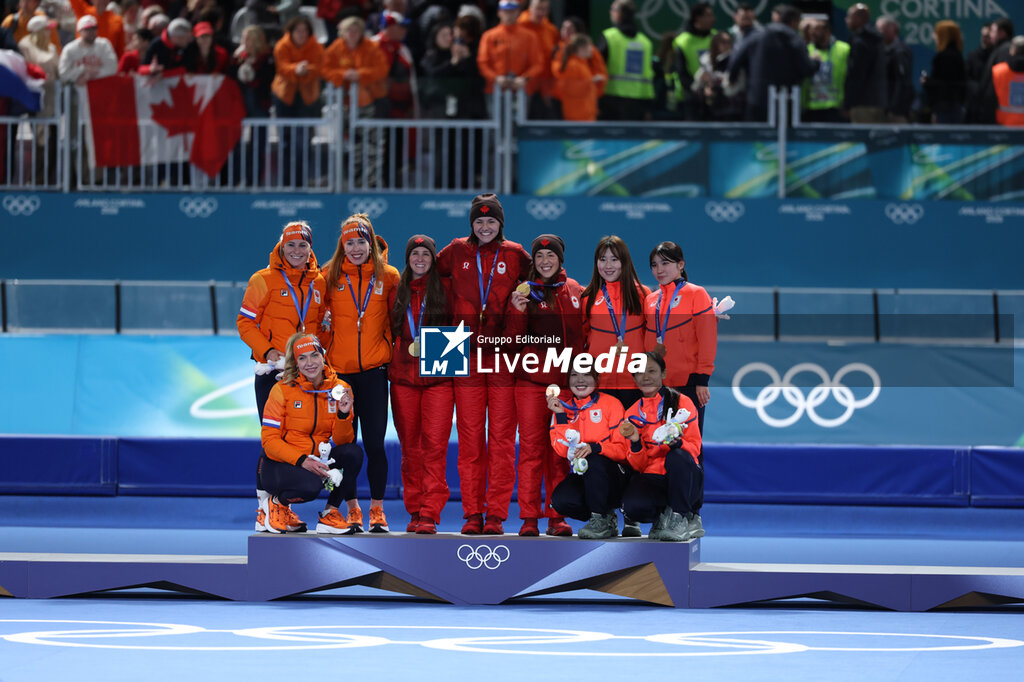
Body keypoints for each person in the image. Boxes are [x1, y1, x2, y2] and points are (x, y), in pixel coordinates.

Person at [435, 193, 531, 535]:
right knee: (471, 438)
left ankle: (496, 515)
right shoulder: (457, 250)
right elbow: (426, 276)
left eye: (491, 221)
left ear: (501, 223)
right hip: (463, 351)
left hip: (504, 354)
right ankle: (473, 513)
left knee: (503, 439)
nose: (485, 226)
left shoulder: (516, 254)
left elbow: (545, 280)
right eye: (479, 221)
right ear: (471, 224)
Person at [321, 213, 401, 533]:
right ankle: (351, 509)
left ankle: (378, 511)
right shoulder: (327, 275)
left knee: (375, 445)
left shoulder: (390, 276)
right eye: (349, 242)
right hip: (338, 376)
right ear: (342, 245)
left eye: (361, 241)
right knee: (343, 447)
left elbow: (399, 322)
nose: (355, 248)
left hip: (373, 373)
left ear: (371, 243)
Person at [506, 234, 585, 537]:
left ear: (560, 259)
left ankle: (557, 516)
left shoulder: (576, 290)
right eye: (539, 256)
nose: (545, 261)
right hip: (530, 384)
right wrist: (515, 310)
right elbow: (512, 341)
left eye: (550, 256)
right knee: (530, 451)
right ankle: (528, 517)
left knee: (560, 452)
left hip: (566, 387)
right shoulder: (525, 292)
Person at [258, 333, 364, 534]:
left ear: (323, 356)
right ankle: (276, 502)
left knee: (353, 453)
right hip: (280, 464)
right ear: (295, 363)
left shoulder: (340, 389)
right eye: (302, 358)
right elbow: (269, 441)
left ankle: (330, 514)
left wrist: (343, 414)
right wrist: (302, 460)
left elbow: (343, 442)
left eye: (314, 355)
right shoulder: (281, 390)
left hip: (317, 459)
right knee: (311, 487)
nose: (310, 363)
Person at [388, 235, 454, 535]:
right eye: (414, 253)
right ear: (407, 258)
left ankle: (430, 511)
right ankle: (414, 508)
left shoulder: (447, 289)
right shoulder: (395, 290)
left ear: (433, 257)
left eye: (425, 253)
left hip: (439, 377)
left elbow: (460, 328)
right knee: (410, 449)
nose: (419, 258)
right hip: (403, 379)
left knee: (435, 448)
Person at [237, 220, 328, 422]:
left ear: (310, 248)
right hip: (273, 371)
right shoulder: (262, 279)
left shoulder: (319, 282)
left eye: (303, 245)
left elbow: (318, 327)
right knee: (273, 441)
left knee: (306, 439)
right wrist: (267, 351)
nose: (297, 251)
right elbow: (245, 323)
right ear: (282, 246)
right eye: (291, 244)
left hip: (309, 373)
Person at [613, 352, 704, 541]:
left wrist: (678, 443)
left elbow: (695, 449)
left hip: (683, 475)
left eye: (652, 371)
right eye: (639, 372)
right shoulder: (631, 413)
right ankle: (662, 518)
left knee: (677, 456)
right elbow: (638, 466)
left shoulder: (682, 402)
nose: (645, 377)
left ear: (663, 373)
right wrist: (636, 442)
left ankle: (681, 517)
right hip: (653, 476)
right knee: (633, 506)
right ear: (634, 378)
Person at [644, 241, 716, 442]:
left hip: (688, 383)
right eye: (654, 265)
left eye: (665, 263)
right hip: (657, 385)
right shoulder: (650, 300)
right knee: (656, 443)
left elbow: (707, 339)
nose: (659, 269)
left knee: (688, 445)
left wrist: (702, 380)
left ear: (681, 265)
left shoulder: (696, 294)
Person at [548, 363, 628, 539]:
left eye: (586, 374)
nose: (580, 380)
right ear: (568, 380)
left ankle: (600, 518)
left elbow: (623, 450)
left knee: (594, 459)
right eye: (574, 375)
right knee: (561, 501)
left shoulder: (611, 404)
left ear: (596, 379)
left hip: (614, 476)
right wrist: (561, 416)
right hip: (585, 474)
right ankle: (604, 517)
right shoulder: (563, 408)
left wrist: (596, 447)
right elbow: (562, 451)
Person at [581, 235, 650, 408]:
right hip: (601, 382)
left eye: (614, 259)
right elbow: (582, 338)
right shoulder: (588, 297)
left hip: (636, 382)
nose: (608, 265)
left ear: (624, 262)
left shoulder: (642, 294)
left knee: (635, 434)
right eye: (602, 259)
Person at [322, 15, 387, 186]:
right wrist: (343, 75)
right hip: (344, 106)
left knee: (372, 147)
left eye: (356, 31)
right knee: (347, 147)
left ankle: (371, 183)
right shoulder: (336, 48)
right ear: (342, 33)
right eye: (349, 31)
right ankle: (349, 182)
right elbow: (325, 69)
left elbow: (381, 69)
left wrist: (360, 75)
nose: (352, 34)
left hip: (369, 104)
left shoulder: (371, 48)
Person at [727, 4, 818, 122]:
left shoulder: (755, 36)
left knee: (756, 139)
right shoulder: (796, 39)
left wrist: (731, 79)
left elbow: (734, 63)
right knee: (783, 139)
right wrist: (816, 61)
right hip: (785, 102)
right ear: (794, 22)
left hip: (756, 100)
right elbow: (807, 69)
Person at [272, 14, 324, 186]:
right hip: (284, 97)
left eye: (305, 30)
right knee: (286, 141)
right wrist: (296, 69)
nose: (301, 34)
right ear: (291, 31)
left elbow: (319, 68)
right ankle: (287, 182)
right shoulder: (282, 46)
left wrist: (306, 69)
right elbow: (282, 67)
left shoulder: (316, 47)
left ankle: (302, 181)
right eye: (298, 30)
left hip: (307, 98)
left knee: (304, 141)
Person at [231, 24, 274, 186]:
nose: (246, 41)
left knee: (258, 145)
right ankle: (234, 179)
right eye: (244, 38)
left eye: (249, 38)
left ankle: (254, 181)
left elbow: (268, 80)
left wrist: (254, 68)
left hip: (260, 105)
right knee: (235, 144)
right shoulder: (236, 57)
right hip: (238, 106)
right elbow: (230, 78)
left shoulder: (267, 58)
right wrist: (238, 62)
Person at [476, 0, 543, 104]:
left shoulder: (529, 36)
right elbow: (482, 62)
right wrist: (496, 78)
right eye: (505, 11)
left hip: (521, 89)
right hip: (495, 88)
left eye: (512, 11)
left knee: (519, 119)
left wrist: (524, 79)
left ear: (518, 13)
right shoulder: (489, 36)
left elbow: (538, 63)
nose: (508, 15)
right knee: (496, 119)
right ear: (499, 13)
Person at [596, 0, 653, 121]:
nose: (610, 12)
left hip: (610, 99)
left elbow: (597, 67)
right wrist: (648, 107)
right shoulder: (645, 42)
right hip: (639, 101)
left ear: (618, 14)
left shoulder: (609, 36)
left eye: (612, 9)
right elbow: (649, 73)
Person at [843, 3, 887, 123]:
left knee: (862, 139)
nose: (846, 20)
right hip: (877, 102)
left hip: (861, 103)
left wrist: (848, 103)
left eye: (849, 17)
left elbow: (856, 74)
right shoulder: (877, 39)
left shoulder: (860, 42)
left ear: (859, 19)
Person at [673, 1, 716, 120]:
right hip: (689, 100)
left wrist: (711, 89)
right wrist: (698, 91)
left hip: (713, 98)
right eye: (709, 15)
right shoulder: (682, 41)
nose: (713, 19)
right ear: (698, 18)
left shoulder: (716, 38)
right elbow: (681, 72)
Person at [516, 0, 559, 119]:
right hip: (524, 84)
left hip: (545, 86)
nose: (540, 12)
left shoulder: (551, 30)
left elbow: (554, 58)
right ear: (529, 8)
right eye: (537, 8)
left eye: (544, 9)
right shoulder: (519, 26)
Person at [802, 18, 848, 123]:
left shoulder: (844, 49)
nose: (812, 32)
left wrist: (847, 104)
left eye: (816, 29)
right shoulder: (806, 50)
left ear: (827, 31)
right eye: (810, 29)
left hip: (835, 107)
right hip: (811, 107)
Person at [692, 31, 745, 121]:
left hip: (731, 107)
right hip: (710, 109)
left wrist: (722, 86)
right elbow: (696, 86)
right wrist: (705, 89)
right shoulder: (706, 61)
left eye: (729, 42)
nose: (727, 45)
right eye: (723, 42)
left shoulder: (736, 61)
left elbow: (740, 85)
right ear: (715, 44)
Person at [922, 20, 966, 124]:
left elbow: (945, 83)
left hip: (945, 107)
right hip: (953, 105)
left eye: (937, 33)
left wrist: (927, 82)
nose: (934, 37)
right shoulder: (957, 55)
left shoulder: (945, 57)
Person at [553, 34, 602, 121]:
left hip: (585, 114)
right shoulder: (573, 65)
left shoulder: (582, 64)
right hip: (576, 116)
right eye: (589, 46)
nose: (592, 49)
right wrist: (590, 82)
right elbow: (569, 88)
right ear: (581, 48)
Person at [58, 14, 117, 84]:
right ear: (79, 31)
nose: (91, 32)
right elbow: (63, 74)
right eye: (87, 29)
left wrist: (93, 74)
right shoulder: (69, 49)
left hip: (102, 87)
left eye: (93, 29)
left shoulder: (104, 44)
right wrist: (82, 69)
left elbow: (113, 68)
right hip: (78, 91)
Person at [876, 15, 913, 123]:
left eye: (880, 29)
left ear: (891, 29)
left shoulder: (899, 51)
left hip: (896, 110)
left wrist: (895, 108)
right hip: (885, 107)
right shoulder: (882, 50)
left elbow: (902, 82)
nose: (878, 33)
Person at [987, 35, 1024, 127]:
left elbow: (989, 100)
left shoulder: (998, 71)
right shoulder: (998, 71)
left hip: (1004, 128)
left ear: (1012, 50)